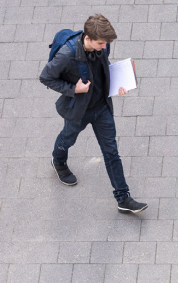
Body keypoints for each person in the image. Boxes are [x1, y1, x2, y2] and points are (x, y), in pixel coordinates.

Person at [39, 14, 147, 214]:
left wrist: (117, 85)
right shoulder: (66, 55)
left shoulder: (103, 46)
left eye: (106, 43)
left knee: (111, 152)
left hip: (102, 108)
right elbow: (46, 77)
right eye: (100, 43)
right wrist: (73, 89)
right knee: (67, 139)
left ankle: (123, 198)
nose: (104, 47)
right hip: (78, 110)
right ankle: (58, 159)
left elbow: (102, 69)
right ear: (87, 38)